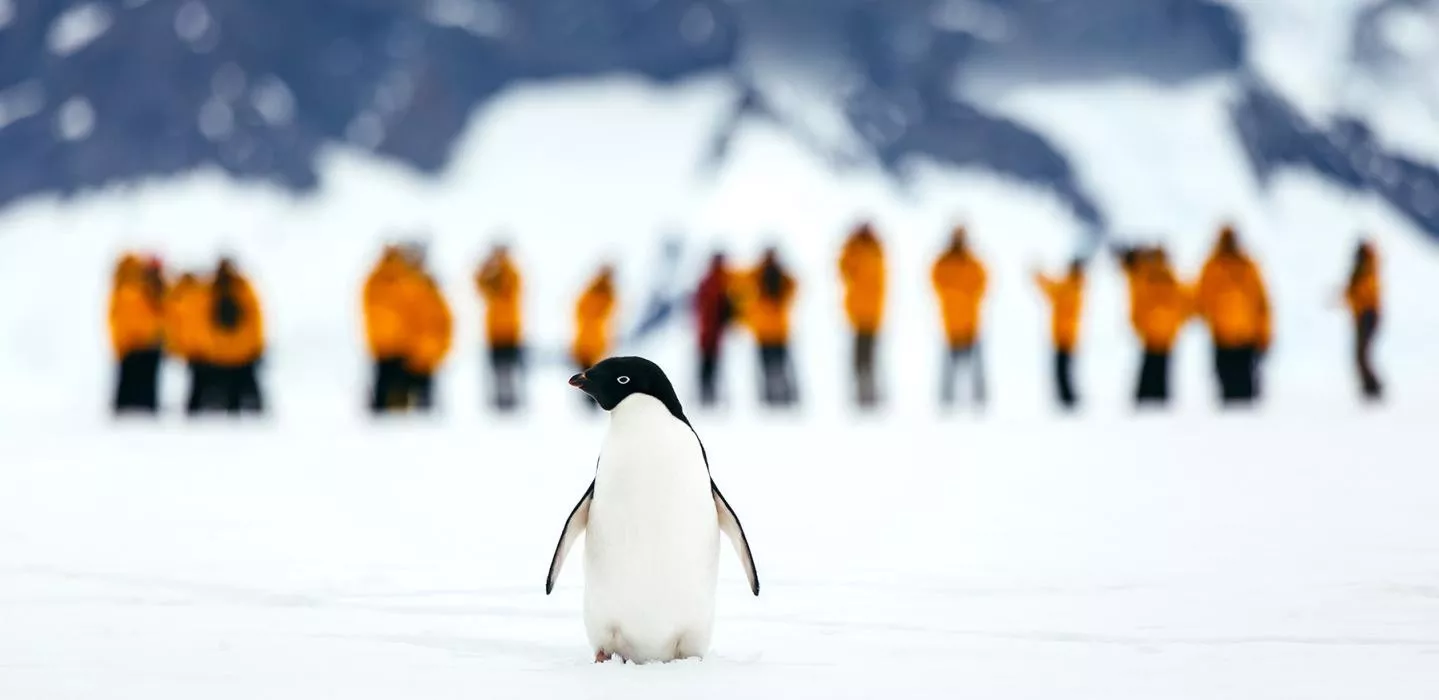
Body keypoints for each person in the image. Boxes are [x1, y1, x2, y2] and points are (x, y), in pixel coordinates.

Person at [1195, 225, 1271, 405]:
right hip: (1222, 338)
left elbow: (1262, 304)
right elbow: (1199, 299)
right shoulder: (1212, 266)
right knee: (1226, 391)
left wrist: (1264, 334)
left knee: (1245, 393)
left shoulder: (1247, 266)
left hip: (1246, 338)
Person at [1119, 246, 1192, 406]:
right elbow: (1186, 301)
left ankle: (1146, 401)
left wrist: (1138, 324)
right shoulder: (1169, 276)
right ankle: (1159, 401)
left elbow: (1137, 299)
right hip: (1165, 334)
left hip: (1151, 334)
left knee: (1149, 372)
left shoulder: (1146, 276)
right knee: (1160, 372)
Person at [932, 226, 988, 409]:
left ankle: (980, 402)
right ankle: (946, 402)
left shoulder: (972, 263)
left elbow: (983, 282)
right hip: (951, 323)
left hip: (971, 322)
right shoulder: (944, 262)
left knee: (975, 368)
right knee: (949, 368)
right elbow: (935, 279)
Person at [736, 248, 799, 408]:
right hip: (772, 331)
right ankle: (777, 398)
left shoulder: (773, 277)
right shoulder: (765, 276)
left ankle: (776, 398)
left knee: (774, 367)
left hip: (770, 331)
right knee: (775, 367)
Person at [108, 253, 166, 415]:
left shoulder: (143, 287)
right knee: (135, 384)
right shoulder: (134, 288)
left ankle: (132, 410)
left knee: (139, 384)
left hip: (142, 341)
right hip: (137, 342)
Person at [206, 257, 266, 414]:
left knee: (231, 393)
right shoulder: (242, 287)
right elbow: (256, 317)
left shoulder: (213, 288)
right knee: (242, 392)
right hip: (239, 350)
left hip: (226, 351)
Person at [838, 222, 886, 409]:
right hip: (859, 315)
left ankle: (869, 393)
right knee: (860, 357)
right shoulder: (856, 251)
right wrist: (852, 242)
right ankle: (861, 392)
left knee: (869, 357)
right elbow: (843, 267)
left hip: (871, 314)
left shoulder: (876, 252)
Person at [363, 246, 413, 413]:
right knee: (390, 382)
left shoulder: (379, 278)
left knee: (390, 381)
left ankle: (389, 409)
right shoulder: (397, 280)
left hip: (388, 341)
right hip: (391, 341)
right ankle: (387, 410)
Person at [475, 245, 525, 411]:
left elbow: (509, 285)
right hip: (494, 332)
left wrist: (498, 267)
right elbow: (479, 284)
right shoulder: (492, 276)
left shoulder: (510, 273)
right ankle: (500, 399)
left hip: (510, 331)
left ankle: (510, 400)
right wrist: (485, 267)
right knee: (497, 369)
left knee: (509, 368)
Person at [1033, 258, 1085, 410]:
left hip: (1065, 335)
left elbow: (1052, 289)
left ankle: (1068, 400)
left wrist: (1039, 277)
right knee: (1063, 370)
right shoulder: (1073, 285)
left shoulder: (1071, 287)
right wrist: (1040, 277)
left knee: (1062, 370)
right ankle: (1067, 399)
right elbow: (1052, 287)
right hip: (1064, 335)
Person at [402, 264, 453, 412]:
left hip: (425, 356)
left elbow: (445, 326)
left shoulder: (434, 300)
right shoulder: (412, 295)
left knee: (422, 400)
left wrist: (441, 349)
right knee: (408, 400)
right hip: (412, 355)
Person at [164, 271, 216, 415]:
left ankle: (198, 408)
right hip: (197, 347)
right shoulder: (197, 295)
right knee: (198, 380)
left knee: (201, 380)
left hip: (199, 347)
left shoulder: (185, 295)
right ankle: (197, 408)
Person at [1342, 239, 1383, 401]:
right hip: (1362, 316)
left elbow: (1363, 294)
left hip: (1367, 315)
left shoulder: (1366, 271)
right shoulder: (1363, 270)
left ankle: (1373, 387)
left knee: (1362, 354)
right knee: (1361, 354)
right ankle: (1370, 387)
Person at [692, 252, 735, 408]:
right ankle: (707, 395)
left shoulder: (712, 281)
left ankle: (708, 394)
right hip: (711, 331)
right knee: (709, 363)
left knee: (708, 363)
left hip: (710, 330)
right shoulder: (718, 282)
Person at [573, 265, 618, 409]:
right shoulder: (598, 291)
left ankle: (593, 403)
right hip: (589, 342)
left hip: (594, 342)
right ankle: (590, 403)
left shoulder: (606, 293)